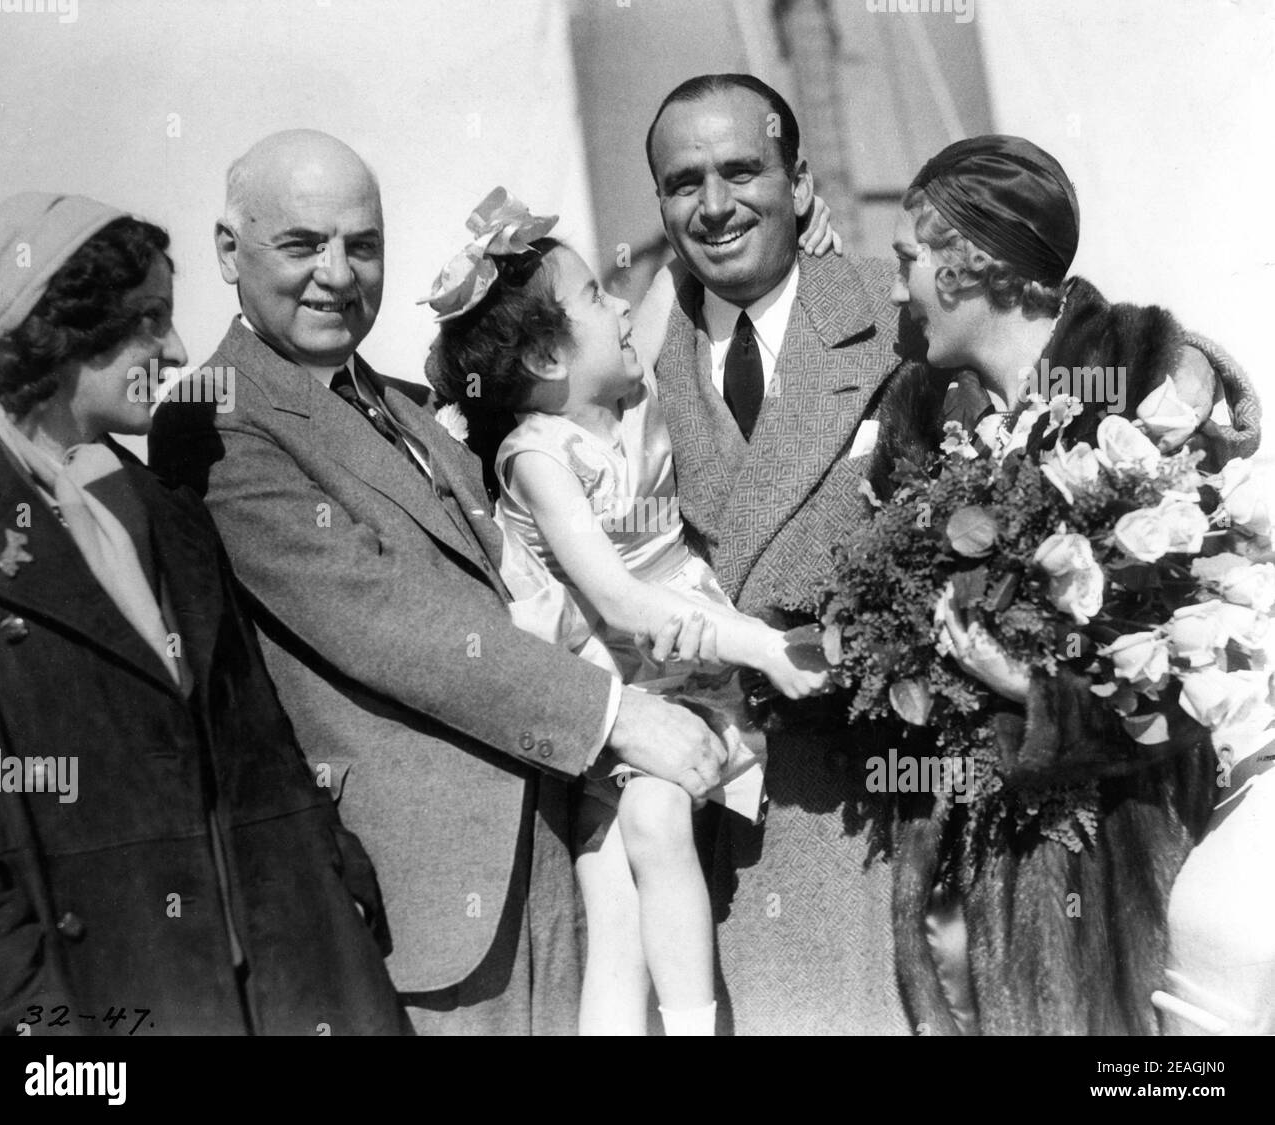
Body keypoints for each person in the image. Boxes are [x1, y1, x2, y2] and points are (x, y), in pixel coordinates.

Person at [148, 131, 730, 1035]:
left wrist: (700, 272)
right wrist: (619, 715)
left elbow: (594, 382)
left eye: (364, 244)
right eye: (302, 245)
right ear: (229, 250)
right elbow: (387, 621)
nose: (338, 274)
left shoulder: (410, 406)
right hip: (437, 895)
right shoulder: (214, 414)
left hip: (559, 854)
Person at [0, 192, 403, 1035]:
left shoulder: (167, 508)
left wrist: (335, 878)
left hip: (292, 971)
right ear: (57, 326)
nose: (173, 351)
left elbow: (266, 745)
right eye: (147, 321)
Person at [874, 134, 1263, 1034]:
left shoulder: (1144, 388)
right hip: (987, 884)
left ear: (976, 264)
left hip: (1141, 869)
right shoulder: (925, 420)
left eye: (908, 263)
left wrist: (1038, 697)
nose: (897, 290)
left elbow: (1200, 677)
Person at [423, 189, 829, 1035]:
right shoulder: (537, 453)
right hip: (627, 663)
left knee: (617, 879)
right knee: (637, 842)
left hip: (681, 644)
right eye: (592, 298)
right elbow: (614, 597)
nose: (616, 301)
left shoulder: (623, 385)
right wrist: (757, 642)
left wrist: (758, 230)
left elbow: (664, 285)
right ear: (544, 362)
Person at [634, 73, 921, 1035]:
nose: (714, 206)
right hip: (700, 832)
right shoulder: (621, 367)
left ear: (799, 185)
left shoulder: (899, 313)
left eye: (742, 171)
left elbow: (1062, 353)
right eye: (684, 183)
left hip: (877, 813)